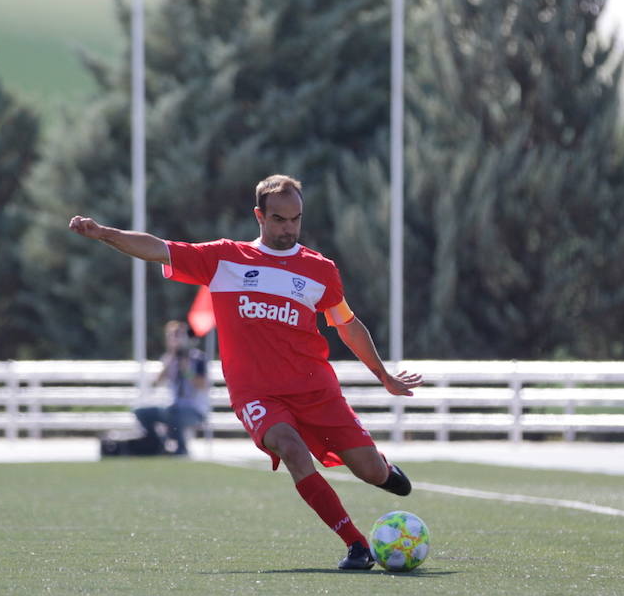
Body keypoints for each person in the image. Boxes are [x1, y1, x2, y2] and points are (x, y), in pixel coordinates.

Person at [69, 174, 422, 569]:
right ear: (259, 216)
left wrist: (382, 374)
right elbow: (159, 249)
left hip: (315, 389)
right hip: (257, 394)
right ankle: (356, 544)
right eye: (278, 220)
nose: (288, 228)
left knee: (368, 470)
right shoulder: (226, 259)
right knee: (290, 447)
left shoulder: (319, 269)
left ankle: (382, 470)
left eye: (295, 219)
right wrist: (104, 234)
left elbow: (347, 323)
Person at [133, 320, 209, 456]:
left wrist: (186, 370)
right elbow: (157, 382)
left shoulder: (197, 358)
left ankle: (181, 449)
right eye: (171, 336)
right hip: (171, 407)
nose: (175, 339)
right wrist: (171, 358)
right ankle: (158, 445)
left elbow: (201, 385)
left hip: (194, 410)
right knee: (141, 412)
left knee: (174, 413)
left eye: (178, 335)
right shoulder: (168, 358)